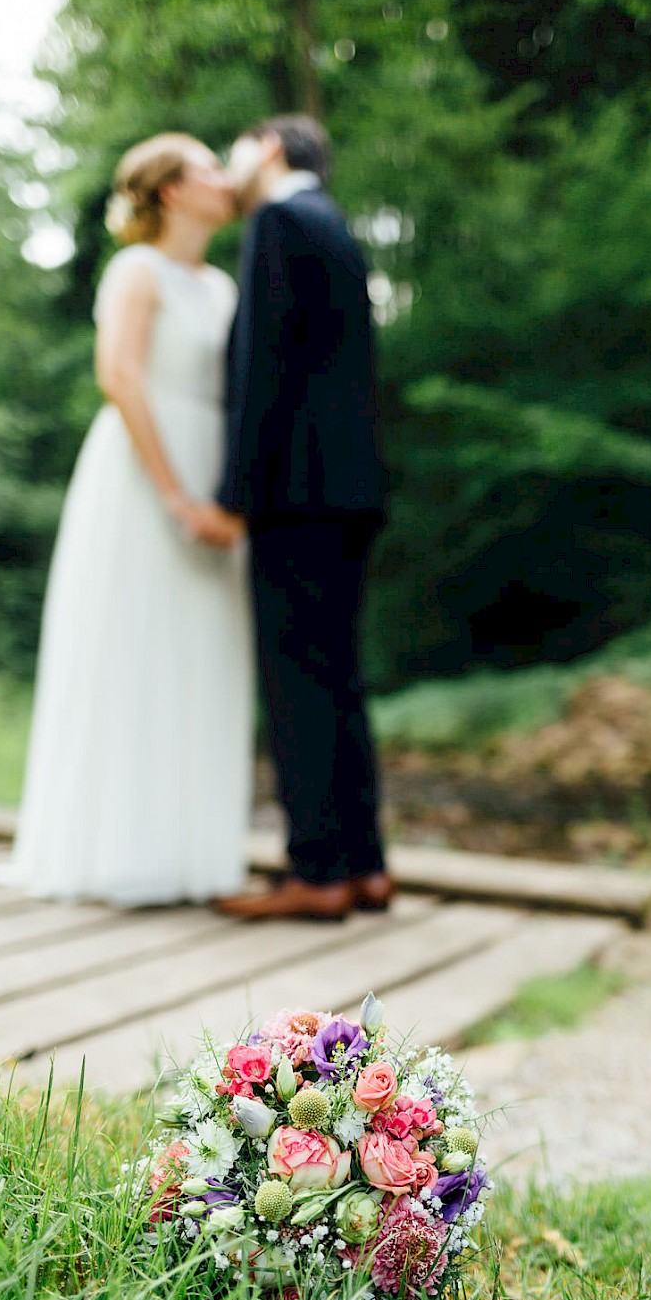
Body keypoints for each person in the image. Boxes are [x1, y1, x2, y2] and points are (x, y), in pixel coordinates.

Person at [0, 134, 253, 906]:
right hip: (142, 476)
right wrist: (177, 495)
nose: (223, 178)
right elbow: (120, 377)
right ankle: (115, 851)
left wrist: (230, 496)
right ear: (171, 191)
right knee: (132, 645)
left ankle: (193, 855)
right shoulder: (135, 271)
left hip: (215, 471)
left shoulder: (222, 286)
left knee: (202, 653)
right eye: (208, 167)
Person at [212, 114, 392, 921]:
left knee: (296, 684)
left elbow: (262, 367)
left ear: (273, 148)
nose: (231, 163)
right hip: (352, 490)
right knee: (340, 677)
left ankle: (315, 872)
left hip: (295, 493)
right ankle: (366, 867)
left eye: (239, 147)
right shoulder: (335, 225)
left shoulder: (278, 219)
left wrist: (233, 493)